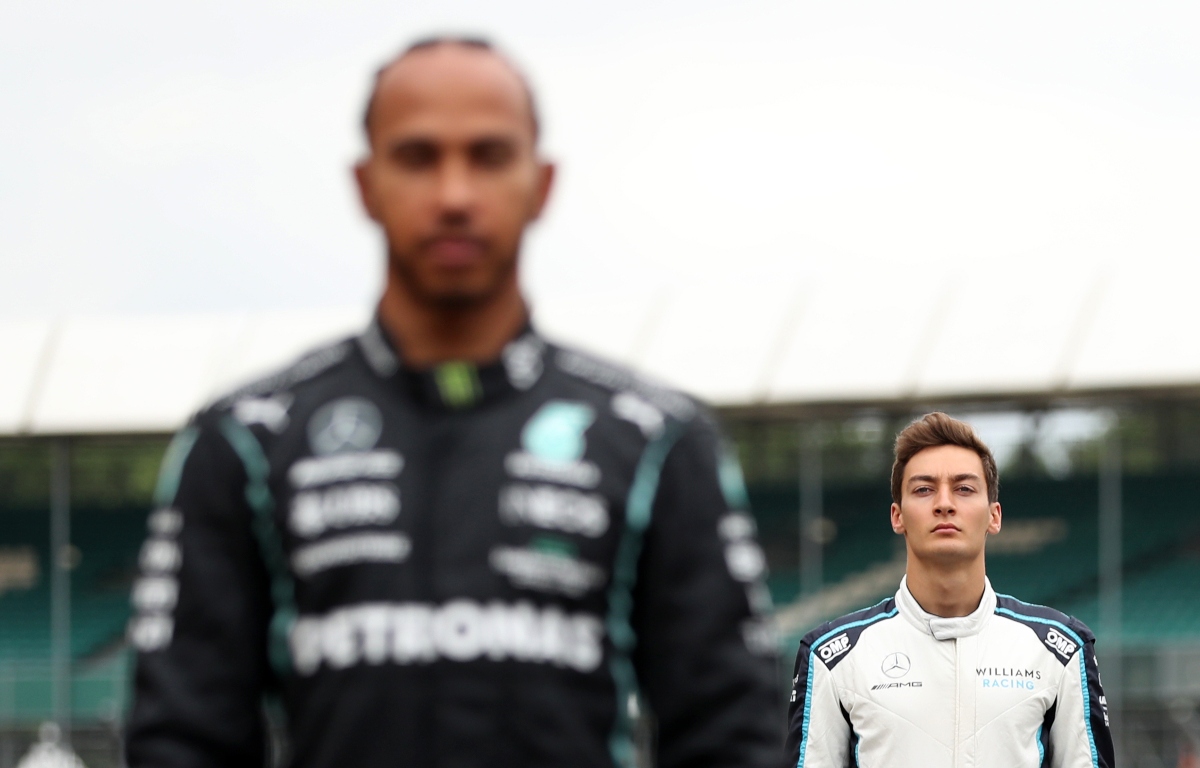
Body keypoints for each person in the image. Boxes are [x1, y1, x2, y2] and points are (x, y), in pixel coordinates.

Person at [124, 37, 781, 768]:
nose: (455, 195)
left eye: (490, 156)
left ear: (542, 183)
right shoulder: (247, 442)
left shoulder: (657, 441)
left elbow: (732, 735)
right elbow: (182, 740)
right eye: (418, 157)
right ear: (366, 184)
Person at [786, 412, 1115, 768]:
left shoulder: (1061, 651)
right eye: (924, 489)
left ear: (994, 515)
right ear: (897, 515)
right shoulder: (832, 657)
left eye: (964, 488)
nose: (944, 503)